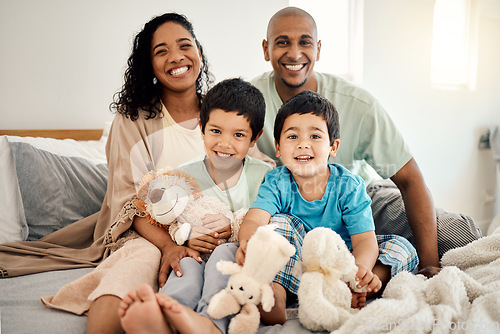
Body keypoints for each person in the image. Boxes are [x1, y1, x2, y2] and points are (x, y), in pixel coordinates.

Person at [0, 13, 272, 334]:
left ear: (199, 52)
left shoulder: (221, 112)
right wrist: (170, 246)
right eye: (161, 51)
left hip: (220, 232)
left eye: (185, 45)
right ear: (150, 65)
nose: (176, 56)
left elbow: (259, 177)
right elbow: (130, 202)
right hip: (148, 231)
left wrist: (231, 227)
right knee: (137, 262)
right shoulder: (133, 120)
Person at [250, 7, 482, 278]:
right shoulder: (250, 104)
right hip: (286, 210)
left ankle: (365, 276)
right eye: (282, 42)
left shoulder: (357, 103)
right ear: (266, 49)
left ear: (319, 49)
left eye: (305, 42)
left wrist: (428, 266)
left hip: (353, 202)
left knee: (459, 233)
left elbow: (409, 178)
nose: (294, 53)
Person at [236, 90, 419, 324]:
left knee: (402, 247)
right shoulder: (277, 181)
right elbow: (255, 218)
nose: (303, 144)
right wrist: (247, 242)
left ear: (333, 147)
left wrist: (358, 270)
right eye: (292, 137)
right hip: (299, 264)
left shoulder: (348, 186)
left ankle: (362, 285)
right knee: (277, 226)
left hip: (343, 262)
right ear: (278, 148)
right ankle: (277, 296)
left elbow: (364, 240)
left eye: (315, 136)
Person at [118, 77, 273, 334]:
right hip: (196, 252)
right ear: (201, 127)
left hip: (234, 255)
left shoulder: (264, 175)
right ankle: (167, 314)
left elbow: (270, 221)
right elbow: (149, 212)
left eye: (238, 135)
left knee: (222, 261)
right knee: (186, 265)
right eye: (216, 131)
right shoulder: (182, 177)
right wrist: (182, 241)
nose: (224, 143)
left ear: (254, 138)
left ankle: (210, 322)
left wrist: (234, 226)